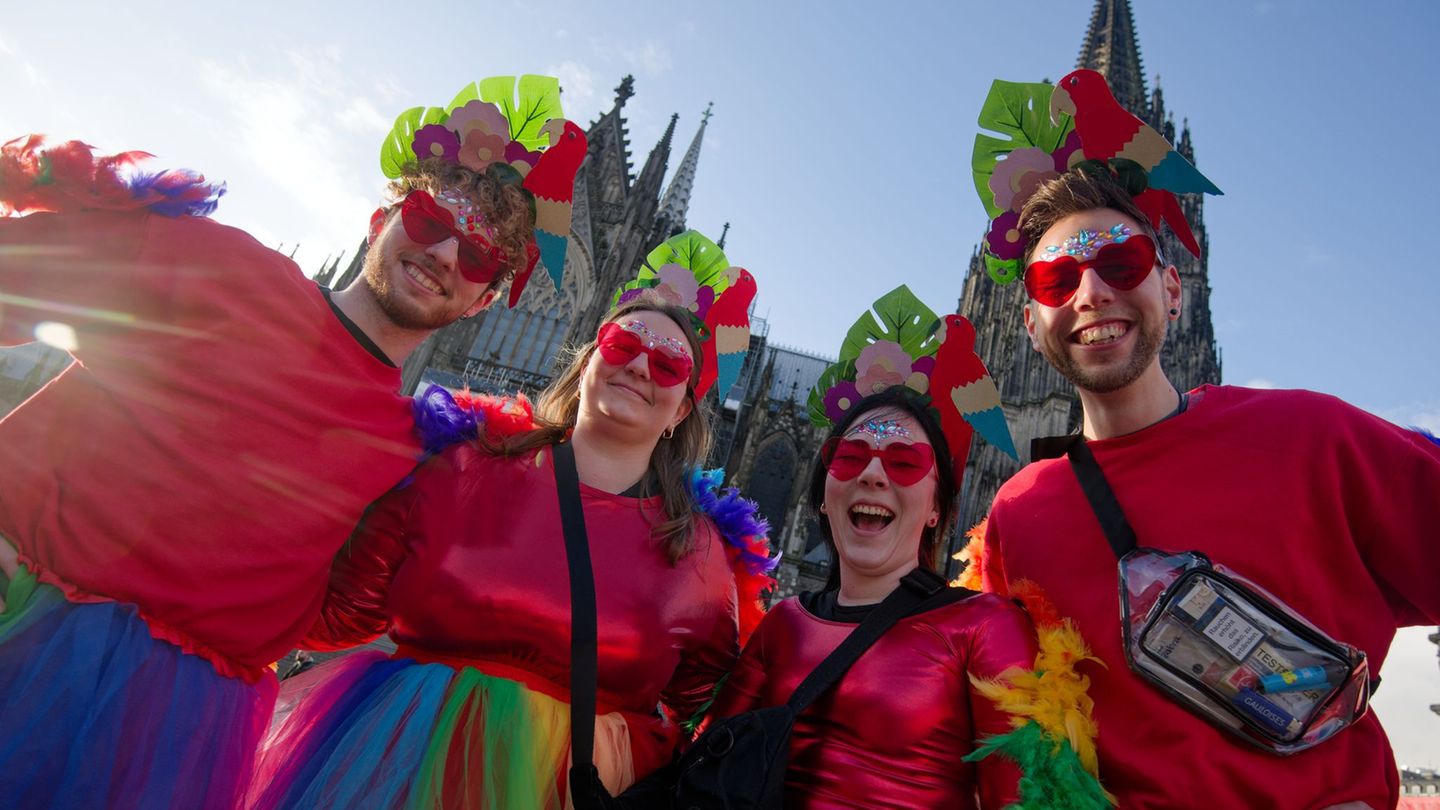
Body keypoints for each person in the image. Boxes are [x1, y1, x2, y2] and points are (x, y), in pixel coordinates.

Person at [0, 75, 584, 808]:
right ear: (382, 216)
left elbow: (343, 609)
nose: (442, 256)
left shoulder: (412, 447)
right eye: (432, 217)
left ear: (484, 300)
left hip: (177, 731)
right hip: (25, 640)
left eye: (475, 257)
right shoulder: (231, 268)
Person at [974, 81, 1440, 807]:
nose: (1092, 293)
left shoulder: (1312, 437)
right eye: (1057, 278)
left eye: (1122, 264)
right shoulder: (1019, 514)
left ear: (1175, 287)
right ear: (1028, 324)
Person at [248, 232, 773, 809]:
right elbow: (336, 615)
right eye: (623, 344)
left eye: (670, 365)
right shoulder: (463, 467)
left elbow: (699, 707)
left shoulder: (702, 554)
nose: (641, 367)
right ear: (587, 361)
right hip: (389, 762)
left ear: (684, 411)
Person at [706, 286, 1106, 809]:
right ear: (822, 493)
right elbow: (706, 767)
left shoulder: (984, 628)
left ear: (937, 507)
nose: (873, 474)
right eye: (850, 457)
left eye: (904, 462)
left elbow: (1030, 796)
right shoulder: (783, 624)